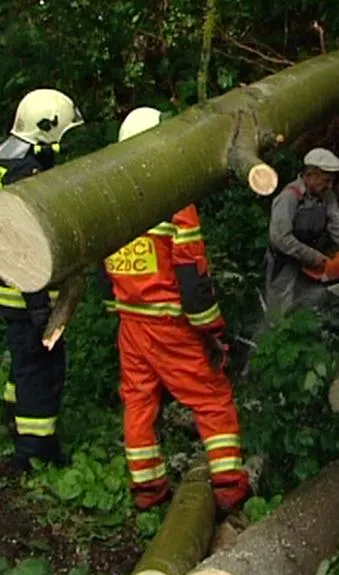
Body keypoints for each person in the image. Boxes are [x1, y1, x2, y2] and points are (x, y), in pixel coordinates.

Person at [95, 106, 252, 514]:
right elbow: (192, 276)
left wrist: (117, 306)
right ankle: (230, 486)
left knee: (138, 400)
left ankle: (148, 489)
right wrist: (213, 330)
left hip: (130, 320)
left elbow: (100, 265)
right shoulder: (173, 202)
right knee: (212, 397)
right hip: (170, 323)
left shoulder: (108, 199)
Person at [0, 88, 84, 473]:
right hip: (26, 294)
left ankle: (13, 419)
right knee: (41, 369)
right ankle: (34, 450)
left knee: (22, 361)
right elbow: (26, 245)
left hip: (2, 288)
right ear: (48, 131)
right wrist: (38, 305)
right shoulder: (26, 174)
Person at [263, 147, 339, 319]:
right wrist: (317, 259)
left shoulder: (326, 196)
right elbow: (280, 238)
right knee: (280, 309)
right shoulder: (289, 198)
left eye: (331, 181)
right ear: (309, 175)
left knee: (309, 304)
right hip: (284, 260)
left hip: (309, 257)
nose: (329, 186)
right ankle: (271, 338)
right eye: (325, 180)